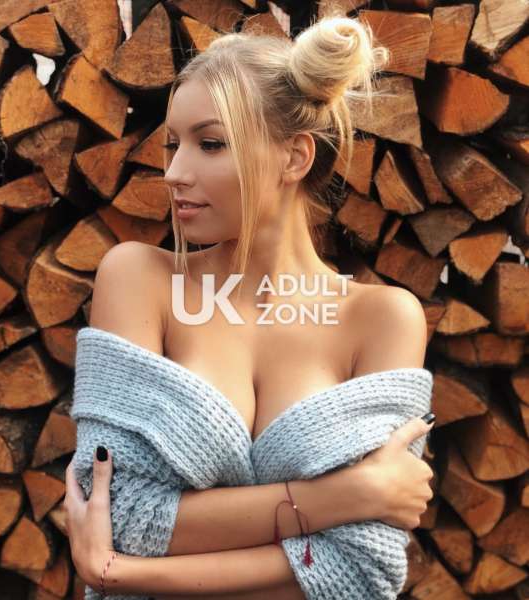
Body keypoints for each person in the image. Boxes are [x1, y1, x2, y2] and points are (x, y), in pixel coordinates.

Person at [64, 11, 435, 599]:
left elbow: (365, 568)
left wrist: (123, 573)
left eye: (210, 144)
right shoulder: (138, 279)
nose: (174, 172)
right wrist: (348, 496)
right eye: (173, 145)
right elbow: (123, 515)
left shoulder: (385, 319)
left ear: (295, 157)